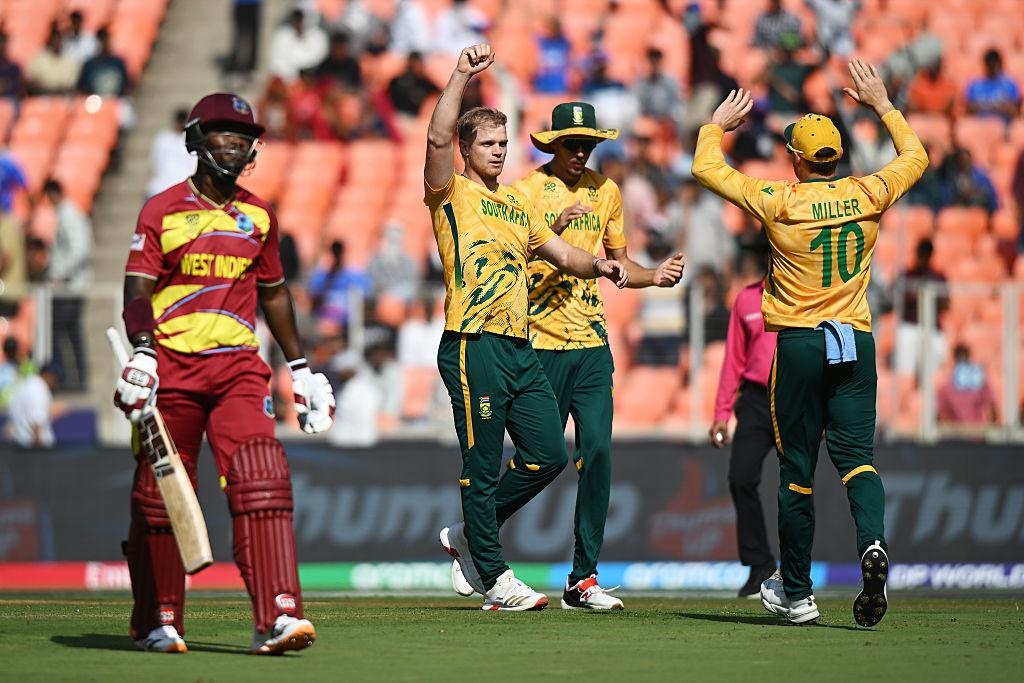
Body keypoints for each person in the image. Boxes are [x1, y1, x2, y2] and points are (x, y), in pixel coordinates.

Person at [692, 59, 928, 626]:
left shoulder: (780, 201)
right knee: (858, 462)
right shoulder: (870, 192)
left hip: (798, 345)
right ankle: (871, 545)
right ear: (838, 157)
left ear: (795, 159)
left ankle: (797, 591)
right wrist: (882, 104)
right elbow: (917, 157)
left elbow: (705, 167)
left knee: (797, 471)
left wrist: (715, 124)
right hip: (855, 340)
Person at [112, 92, 336, 654]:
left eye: (243, 136)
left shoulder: (259, 214)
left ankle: (278, 616)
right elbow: (136, 288)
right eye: (222, 134)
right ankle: (158, 619)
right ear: (195, 140)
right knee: (160, 494)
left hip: (238, 367)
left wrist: (302, 368)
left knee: (262, 476)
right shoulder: (160, 210)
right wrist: (142, 352)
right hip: (172, 369)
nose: (235, 144)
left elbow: (275, 292)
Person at [425, 45, 629, 612]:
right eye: (487, 144)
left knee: (547, 455)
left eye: (501, 143)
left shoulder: (518, 208)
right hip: (473, 341)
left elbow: (565, 256)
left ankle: (469, 535)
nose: (497, 151)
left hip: (519, 347)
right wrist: (462, 75)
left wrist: (605, 265)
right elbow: (436, 139)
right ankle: (494, 577)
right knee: (483, 463)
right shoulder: (451, 194)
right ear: (466, 150)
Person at [507, 101, 684, 609]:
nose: (582, 152)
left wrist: (656, 276)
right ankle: (475, 535)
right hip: (538, 344)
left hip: (591, 345)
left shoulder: (607, 191)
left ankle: (582, 579)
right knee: (541, 461)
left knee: (599, 456)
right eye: (573, 144)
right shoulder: (525, 192)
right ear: (553, 144)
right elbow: (512, 256)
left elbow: (619, 265)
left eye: (589, 144)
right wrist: (557, 227)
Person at [708, 272, 779, 598]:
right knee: (741, 477)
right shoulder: (747, 299)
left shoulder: (806, 292)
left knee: (797, 481)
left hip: (794, 398)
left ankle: (795, 570)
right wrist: (721, 413)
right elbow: (734, 359)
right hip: (755, 400)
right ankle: (760, 564)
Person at [43, 179, 93, 391]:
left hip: (70, 287)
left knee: (63, 332)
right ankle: (74, 378)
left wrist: (59, 274)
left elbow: (80, 249)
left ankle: (67, 377)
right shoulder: (66, 215)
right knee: (70, 333)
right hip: (69, 286)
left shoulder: (69, 216)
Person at [937, 344, 996, 426]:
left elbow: (992, 406)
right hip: (956, 434)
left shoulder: (980, 382)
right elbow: (939, 413)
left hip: (977, 433)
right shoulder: (947, 385)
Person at [6, 362, 61, 449]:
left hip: (20, 443)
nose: (56, 382)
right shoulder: (39, 389)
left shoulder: (25, 385)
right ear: (48, 375)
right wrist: (39, 446)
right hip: (35, 446)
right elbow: (36, 419)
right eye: (55, 377)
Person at [146, 107, 196, 198]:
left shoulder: (191, 141)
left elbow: (193, 167)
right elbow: (156, 162)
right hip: (159, 189)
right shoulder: (163, 137)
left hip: (180, 192)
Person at [965, 48, 1021, 125]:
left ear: (1000, 63)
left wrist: (983, 105)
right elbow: (969, 109)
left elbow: (1015, 109)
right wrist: (999, 106)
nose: (992, 67)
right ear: (985, 64)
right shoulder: (974, 85)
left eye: (994, 63)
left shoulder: (1010, 84)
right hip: (979, 126)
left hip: (1004, 128)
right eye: (989, 63)